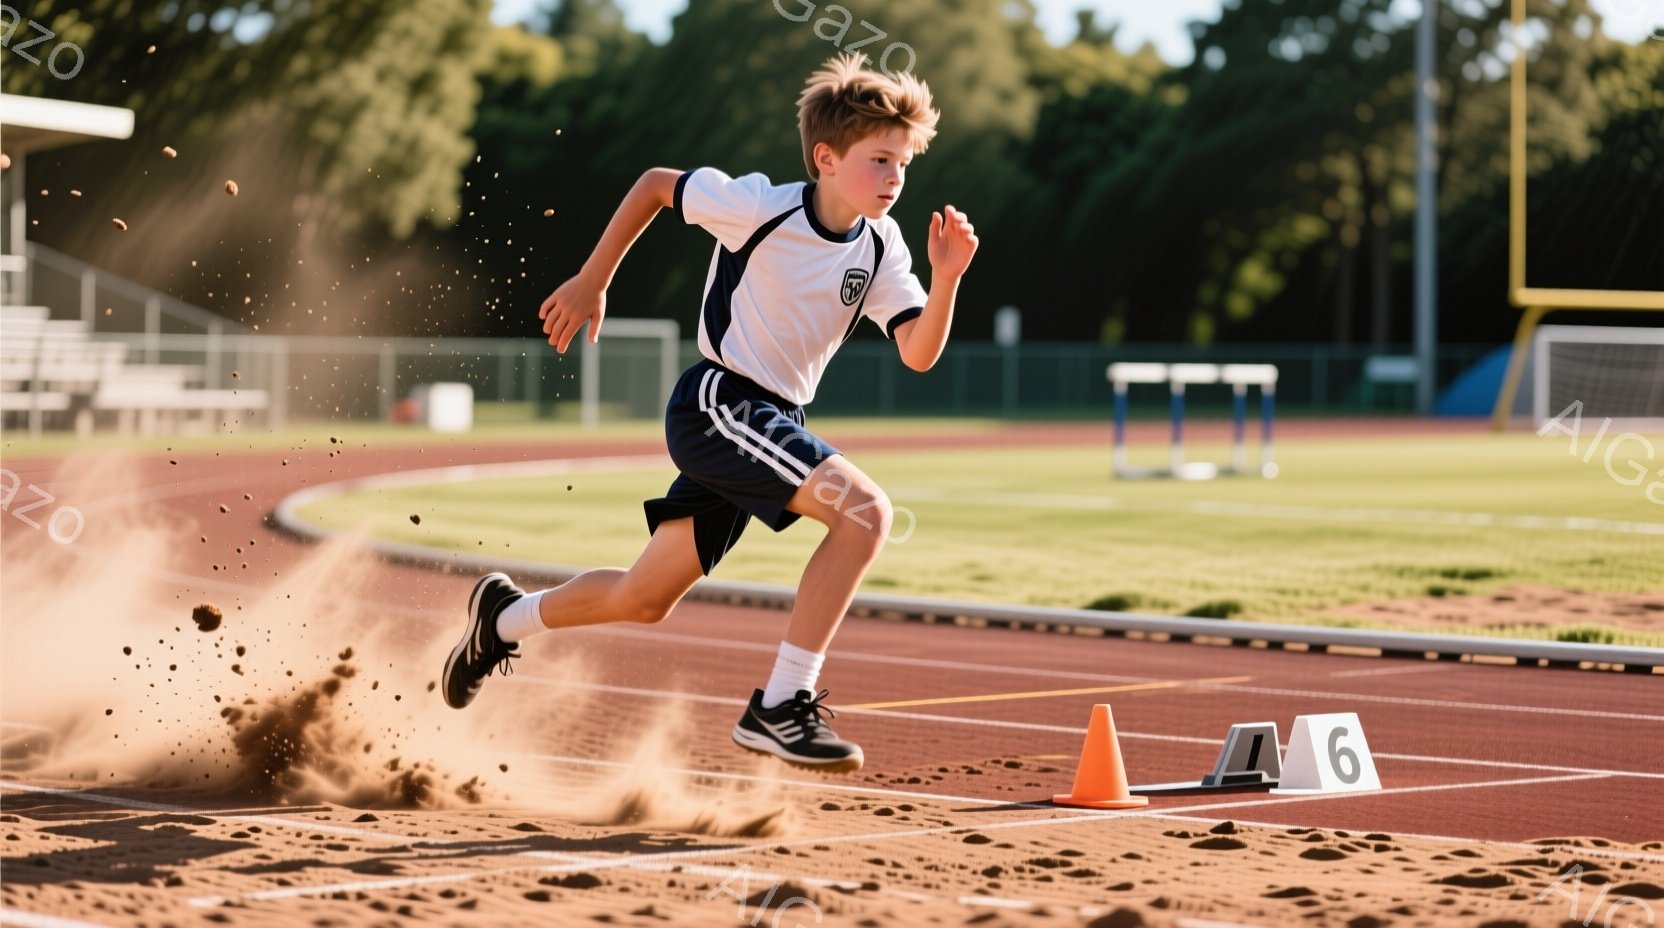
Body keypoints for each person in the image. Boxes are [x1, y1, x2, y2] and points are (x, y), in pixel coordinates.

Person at [442, 53, 978, 773]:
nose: (895, 178)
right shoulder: (762, 205)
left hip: (769, 422)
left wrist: (945, 281)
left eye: (904, 164)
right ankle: (782, 705)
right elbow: (657, 186)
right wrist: (593, 280)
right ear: (826, 157)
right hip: (719, 404)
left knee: (643, 597)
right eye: (880, 159)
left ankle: (499, 619)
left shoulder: (882, 248)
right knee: (866, 514)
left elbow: (917, 350)